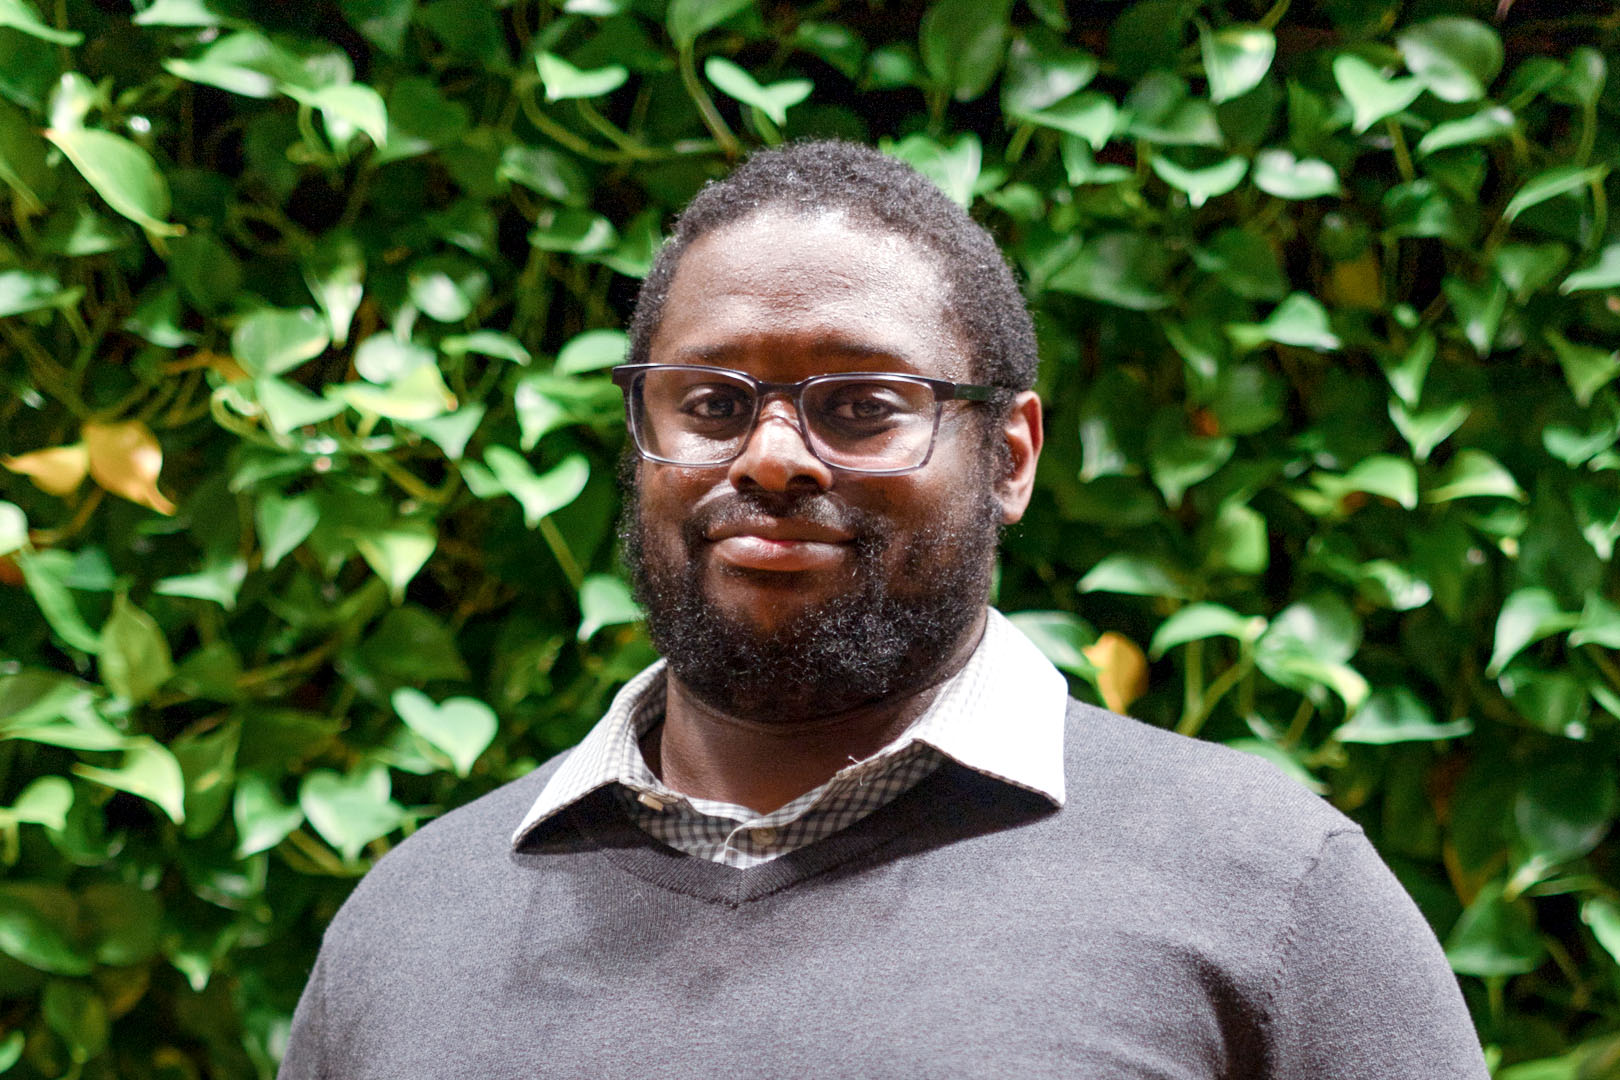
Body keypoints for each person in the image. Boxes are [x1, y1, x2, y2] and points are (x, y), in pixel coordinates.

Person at [278, 140, 1488, 1079]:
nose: (769, 456)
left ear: (1010, 457)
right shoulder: (412, 925)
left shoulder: (1269, 893)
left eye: (860, 405)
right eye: (708, 403)